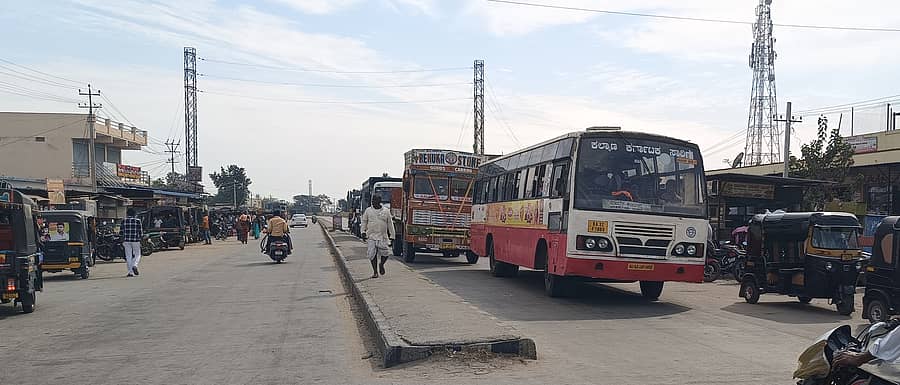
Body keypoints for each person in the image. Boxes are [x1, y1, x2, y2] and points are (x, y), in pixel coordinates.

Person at [361, 195, 395, 278]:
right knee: (372, 254)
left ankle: (381, 264)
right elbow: (364, 222)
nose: (373, 202)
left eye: (375, 200)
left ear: (379, 201)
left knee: (386, 253)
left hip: (382, 236)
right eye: (372, 200)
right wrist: (363, 232)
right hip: (371, 236)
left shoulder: (386, 211)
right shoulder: (368, 210)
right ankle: (375, 272)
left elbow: (390, 224)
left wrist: (392, 236)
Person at [121, 208, 143, 277]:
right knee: (137, 254)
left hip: (126, 241)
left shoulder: (123, 221)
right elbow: (140, 232)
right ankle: (135, 265)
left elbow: (121, 232)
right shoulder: (138, 221)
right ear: (135, 214)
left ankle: (130, 272)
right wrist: (141, 239)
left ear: (127, 214)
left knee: (128, 256)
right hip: (136, 240)